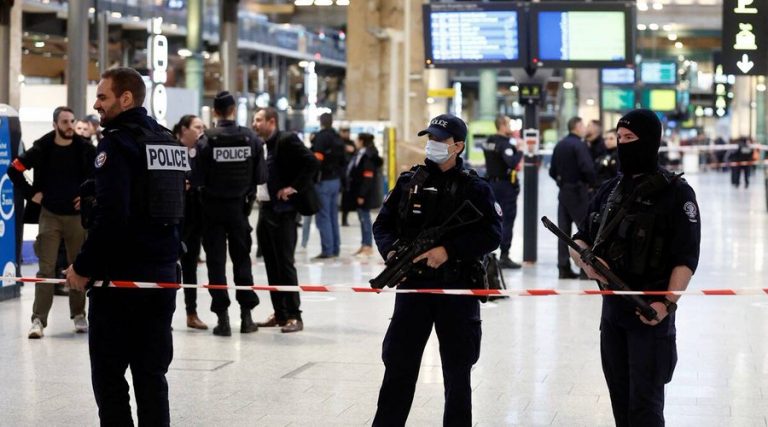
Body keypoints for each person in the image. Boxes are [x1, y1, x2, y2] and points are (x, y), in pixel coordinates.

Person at [65, 67, 186, 426]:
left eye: (103, 96)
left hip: (120, 283)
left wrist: (82, 268)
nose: (96, 104)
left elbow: (112, 219)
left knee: (110, 381)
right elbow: (179, 208)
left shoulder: (117, 143)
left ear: (126, 98)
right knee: (152, 378)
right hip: (162, 278)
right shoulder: (168, 142)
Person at [571, 109, 701, 427]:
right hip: (613, 315)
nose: (622, 145)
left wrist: (666, 302)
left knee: (645, 409)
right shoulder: (610, 190)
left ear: (651, 141)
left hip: (651, 314)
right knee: (620, 404)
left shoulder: (676, 193)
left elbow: (687, 257)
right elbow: (579, 239)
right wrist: (587, 262)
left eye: (629, 138)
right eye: (618, 138)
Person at [371, 114, 502, 426]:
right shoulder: (408, 182)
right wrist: (391, 252)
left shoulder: (475, 188)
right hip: (413, 289)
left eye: (439, 141)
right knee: (398, 367)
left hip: (457, 289)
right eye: (428, 139)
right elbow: (383, 225)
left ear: (457, 146)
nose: (431, 145)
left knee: (457, 374)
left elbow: (493, 234)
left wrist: (449, 251)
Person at [8, 106, 95, 338]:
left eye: (72, 121)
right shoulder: (43, 146)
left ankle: (79, 315)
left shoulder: (85, 148)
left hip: (77, 217)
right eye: (65, 122)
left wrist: (87, 197)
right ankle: (38, 321)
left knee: (78, 266)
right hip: (49, 215)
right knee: (45, 269)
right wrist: (31, 194)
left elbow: (102, 175)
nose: (69, 126)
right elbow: (14, 169)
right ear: (55, 124)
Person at [199, 91, 266, 336]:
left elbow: (197, 178)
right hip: (240, 209)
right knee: (242, 262)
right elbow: (260, 177)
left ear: (215, 112)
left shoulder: (206, 139)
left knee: (216, 265)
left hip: (212, 210)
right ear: (234, 110)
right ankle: (247, 318)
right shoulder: (251, 139)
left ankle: (223, 320)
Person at [252, 107, 319, 333]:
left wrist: (294, 187)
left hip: (284, 212)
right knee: (271, 263)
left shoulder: (286, 140)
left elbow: (311, 162)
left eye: (259, 120)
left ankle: (294, 315)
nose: (255, 123)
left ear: (272, 122)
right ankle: (280, 313)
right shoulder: (261, 144)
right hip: (266, 209)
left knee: (284, 264)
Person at [549, 116, 596, 279]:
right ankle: (585, 269)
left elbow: (552, 171)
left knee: (563, 231)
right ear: (576, 126)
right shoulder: (579, 145)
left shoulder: (560, 145)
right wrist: (592, 184)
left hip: (564, 192)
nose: (584, 128)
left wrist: (562, 182)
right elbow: (587, 168)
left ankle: (563, 267)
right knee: (584, 231)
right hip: (578, 191)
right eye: (582, 125)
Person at [173, 114, 208, 330]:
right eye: (197, 127)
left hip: (194, 218)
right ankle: (162, 315)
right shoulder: (172, 150)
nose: (201, 130)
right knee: (167, 266)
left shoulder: (203, 152)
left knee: (190, 266)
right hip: (172, 217)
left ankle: (191, 312)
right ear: (184, 129)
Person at [482, 114, 525, 269]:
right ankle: (504, 255)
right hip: (505, 187)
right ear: (501, 125)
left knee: (491, 219)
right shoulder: (505, 144)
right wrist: (520, 150)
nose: (510, 128)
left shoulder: (488, 141)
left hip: (491, 184)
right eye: (508, 124)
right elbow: (512, 163)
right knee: (507, 219)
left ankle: (486, 254)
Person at [310, 113, 345, 259]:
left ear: (321, 122)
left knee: (323, 217)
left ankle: (327, 250)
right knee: (332, 216)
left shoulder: (321, 137)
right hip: (336, 180)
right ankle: (335, 248)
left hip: (323, 180)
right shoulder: (337, 138)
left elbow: (317, 159)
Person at [346, 132, 382, 257]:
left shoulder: (368, 155)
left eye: (357, 139)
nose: (355, 141)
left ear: (361, 141)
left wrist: (362, 194)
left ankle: (368, 246)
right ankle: (364, 244)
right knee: (362, 218)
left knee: (365, 219)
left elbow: (368, 177)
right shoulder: (361, 153)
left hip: (365, 194)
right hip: (359, 192)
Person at [339, 126, 356, 227]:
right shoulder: (338, 142)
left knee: (346, 198)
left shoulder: (351, 143)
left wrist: (353, 150)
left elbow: (355, 152)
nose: (346, 134)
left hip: (348, 175)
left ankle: (344, 219)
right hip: (340, 173)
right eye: (344, 132)